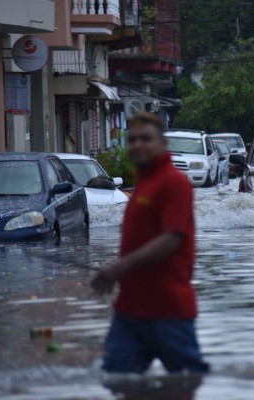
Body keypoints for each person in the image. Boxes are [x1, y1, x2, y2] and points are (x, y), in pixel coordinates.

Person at [91, 112, 209, 375]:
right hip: (130, 308)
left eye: (146, 138)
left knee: (187, 381)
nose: (138, 145)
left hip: (167, 308)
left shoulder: (174, 182)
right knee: (117, 380)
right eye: (132, 139)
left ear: (162, 144)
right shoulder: (143, 184)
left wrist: (119, 267)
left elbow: (172, 239)